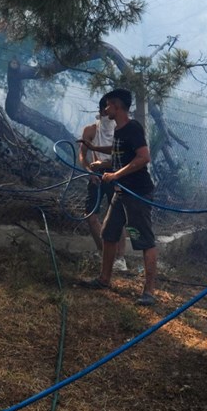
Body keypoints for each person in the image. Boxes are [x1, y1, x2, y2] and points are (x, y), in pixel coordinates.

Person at [78, 88, 158, 306]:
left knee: (144, 239)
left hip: (138, 194)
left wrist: (115, 174)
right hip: (121, 193)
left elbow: (143, 158)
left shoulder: (132, 128)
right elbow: (118, 153)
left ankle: (149, 291)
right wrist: (100, 158)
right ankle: (104, 279)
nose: (105, 109)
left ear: (118, 106)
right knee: (109, 233)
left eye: (109, 105)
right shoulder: (120, 131)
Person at [77, 96, 127, 272]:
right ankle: (104, 253)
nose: (107, 113)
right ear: (100, 111)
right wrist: (89, 172)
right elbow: (82, 155)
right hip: (97, 176)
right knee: (91, 216)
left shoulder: (122, 131)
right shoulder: (90, 130)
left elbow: (123, 155)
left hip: (117, 174)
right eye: (104, 110)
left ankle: (120, 259)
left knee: (118, 219)